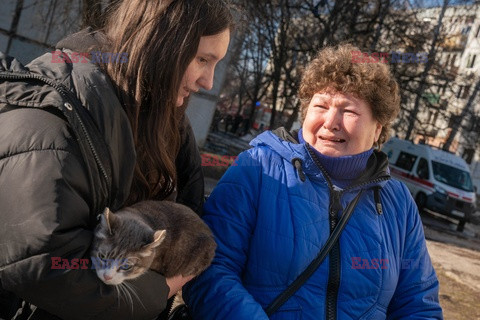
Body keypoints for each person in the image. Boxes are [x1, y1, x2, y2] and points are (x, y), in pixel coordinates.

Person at [0, 0, 234, 318]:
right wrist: (161, 289)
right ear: (157, 45)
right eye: (202, 59)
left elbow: (191, 213)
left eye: (216, 63)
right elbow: (45, 264)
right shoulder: (52, 123)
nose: (208, 82)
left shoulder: (165, 121)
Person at [184, 44, 443, 319]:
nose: (331, 121)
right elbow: (209, 270)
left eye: (349, 111)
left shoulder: (398, 202)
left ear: (378, 128)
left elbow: (418, 305)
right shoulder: (257, 169)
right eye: (321, 105)